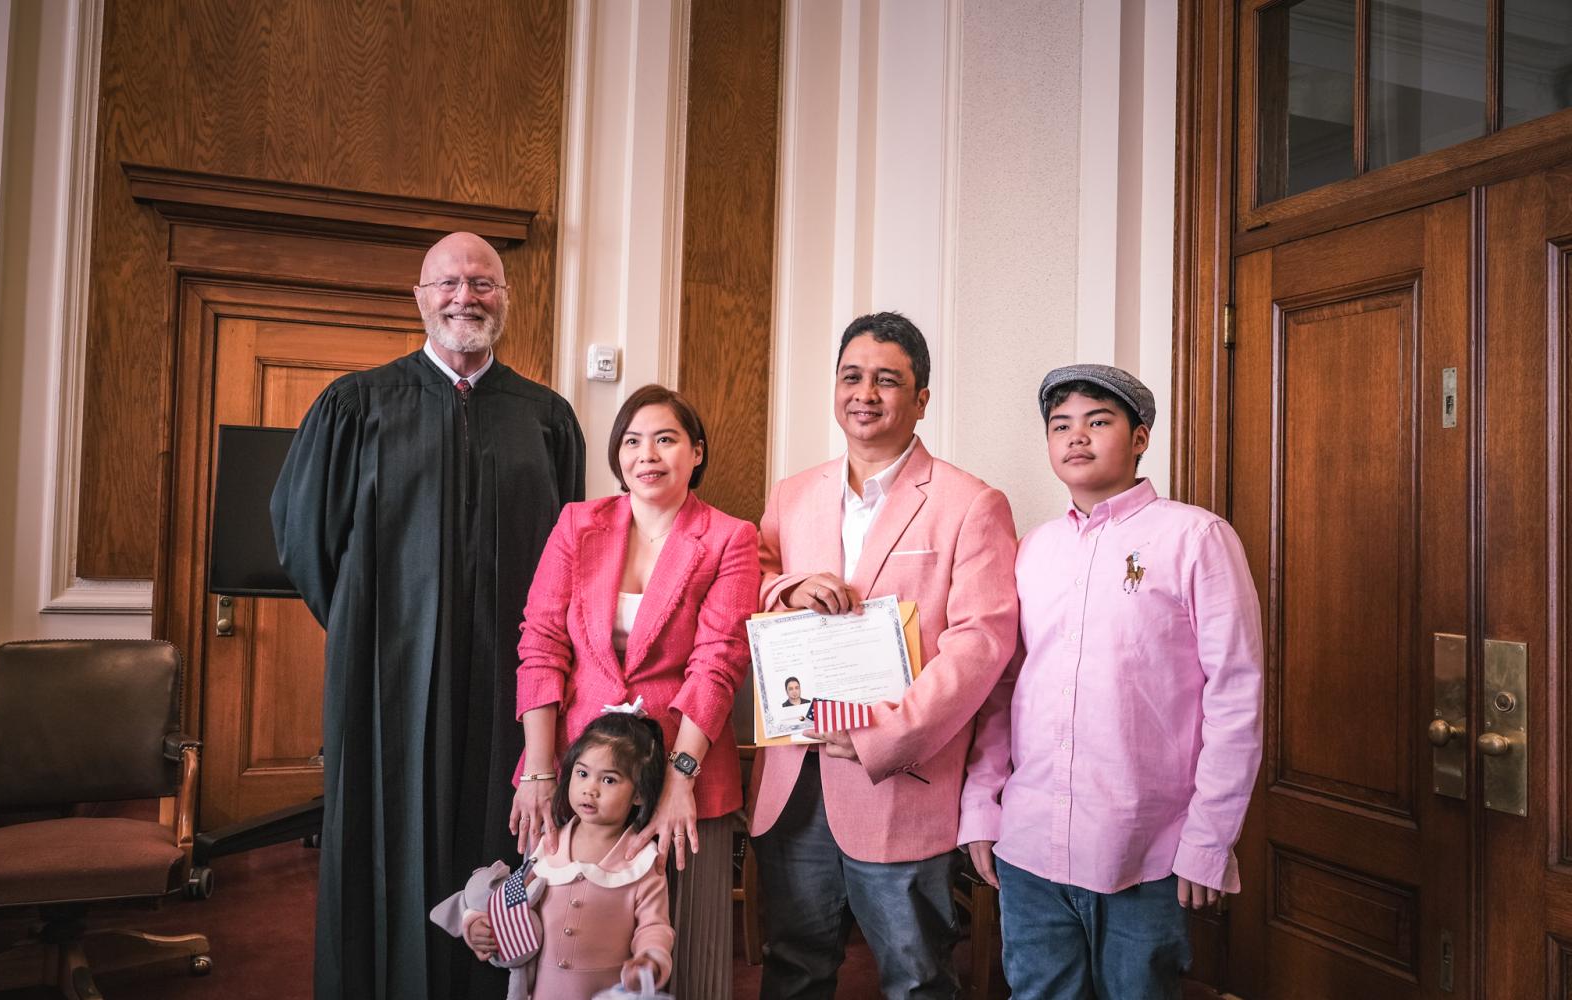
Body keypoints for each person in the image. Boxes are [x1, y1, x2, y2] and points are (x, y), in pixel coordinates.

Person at [270, 231, 585, 1000]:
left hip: (511, 682)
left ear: (505, 299)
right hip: (389, 682)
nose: (464, 296)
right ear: (419, 296)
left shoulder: (546, 418)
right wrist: (376, 626)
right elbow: (303, 537)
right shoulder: (356, 406)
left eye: (482, 283)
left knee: (503, 839)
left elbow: (573, 554)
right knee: (389, 842)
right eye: (448, 282)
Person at [959, 364, 1263, 999]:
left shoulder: (1196, 537)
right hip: (1030, 843)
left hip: (1147, 850)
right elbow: (1002, 689)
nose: (1077, 437)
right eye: (1060, 425)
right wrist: (981, 808)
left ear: (1140, 437)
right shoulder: (1031, 549)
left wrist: (1209, 841)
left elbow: (1235, 696)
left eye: (1098, 421)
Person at [751, 311, 1020, 998]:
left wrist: (885, 734)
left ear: (921, 399)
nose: (864, 394)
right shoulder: (792, 494)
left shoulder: (971, 503)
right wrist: (787, 587)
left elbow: (981, 644)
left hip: (900, 781)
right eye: (851, 376)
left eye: (887, 380)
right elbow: (751, 581)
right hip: (795, 780)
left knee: (916, 979)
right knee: (793, 970)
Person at [511, 383, 757, 999]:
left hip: (685, 763)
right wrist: (539, 769)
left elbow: (718, 662)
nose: (647, 455)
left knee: (686, 950)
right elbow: (541, 643)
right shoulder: (578, 524)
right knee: (560, 940)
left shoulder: (729, 536)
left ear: (696, 452)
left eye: (665, 439)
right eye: (632, 441)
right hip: (578, 769)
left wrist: (679, 779)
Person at [445, 711, 676, 1000]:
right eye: (582, 774)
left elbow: (654, 926)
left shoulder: (642, 861)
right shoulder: (547, 845)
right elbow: (510, 904)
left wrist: (650, 959)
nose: (590, 789)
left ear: (639, 793)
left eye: (609, 780)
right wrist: (480, 925)